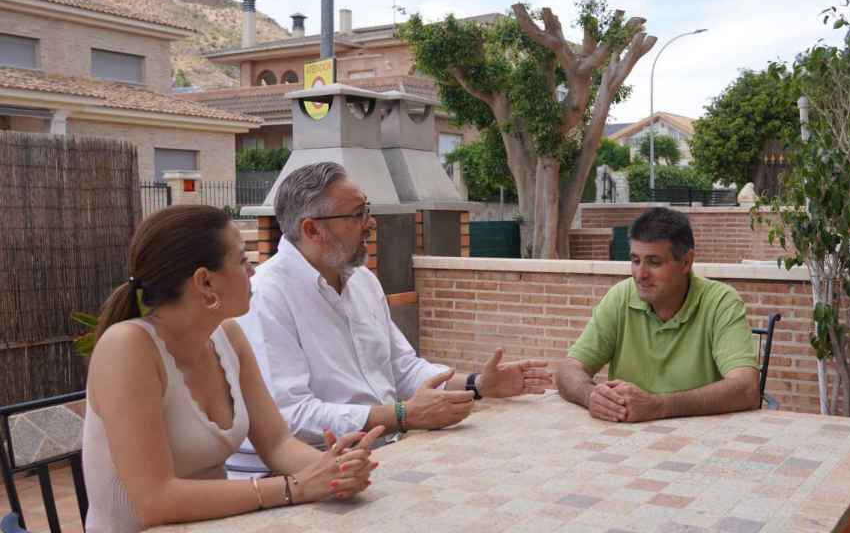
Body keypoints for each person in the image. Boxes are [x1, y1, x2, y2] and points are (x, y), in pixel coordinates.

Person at [83, 205, 384, 532]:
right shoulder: (127, 348)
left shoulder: (228, 337)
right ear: (205, 281)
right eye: (242, 260)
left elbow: (277, 443)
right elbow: (155, 500)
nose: (253, 271)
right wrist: (293, 487)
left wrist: (333, 470)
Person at [238, 162, 552, 450]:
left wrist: (478, 384)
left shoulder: (362, 281)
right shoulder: (264, 296)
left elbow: (404, 371)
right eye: (357, 214)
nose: (370, 223)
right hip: (317, 473)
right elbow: (290, 416)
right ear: (311, 230)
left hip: (388, 453)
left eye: (367, 210)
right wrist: (401, 415)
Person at [556, 207, 761, 422]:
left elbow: (746, 388)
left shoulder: (721, 302)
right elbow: (568, 370)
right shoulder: (620, 297)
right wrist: (592, 396)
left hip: (700, 441)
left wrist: (658, 406)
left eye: (654, 262)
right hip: (625, 438)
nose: (641, 274)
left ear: (686, 262)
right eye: (635, 260)